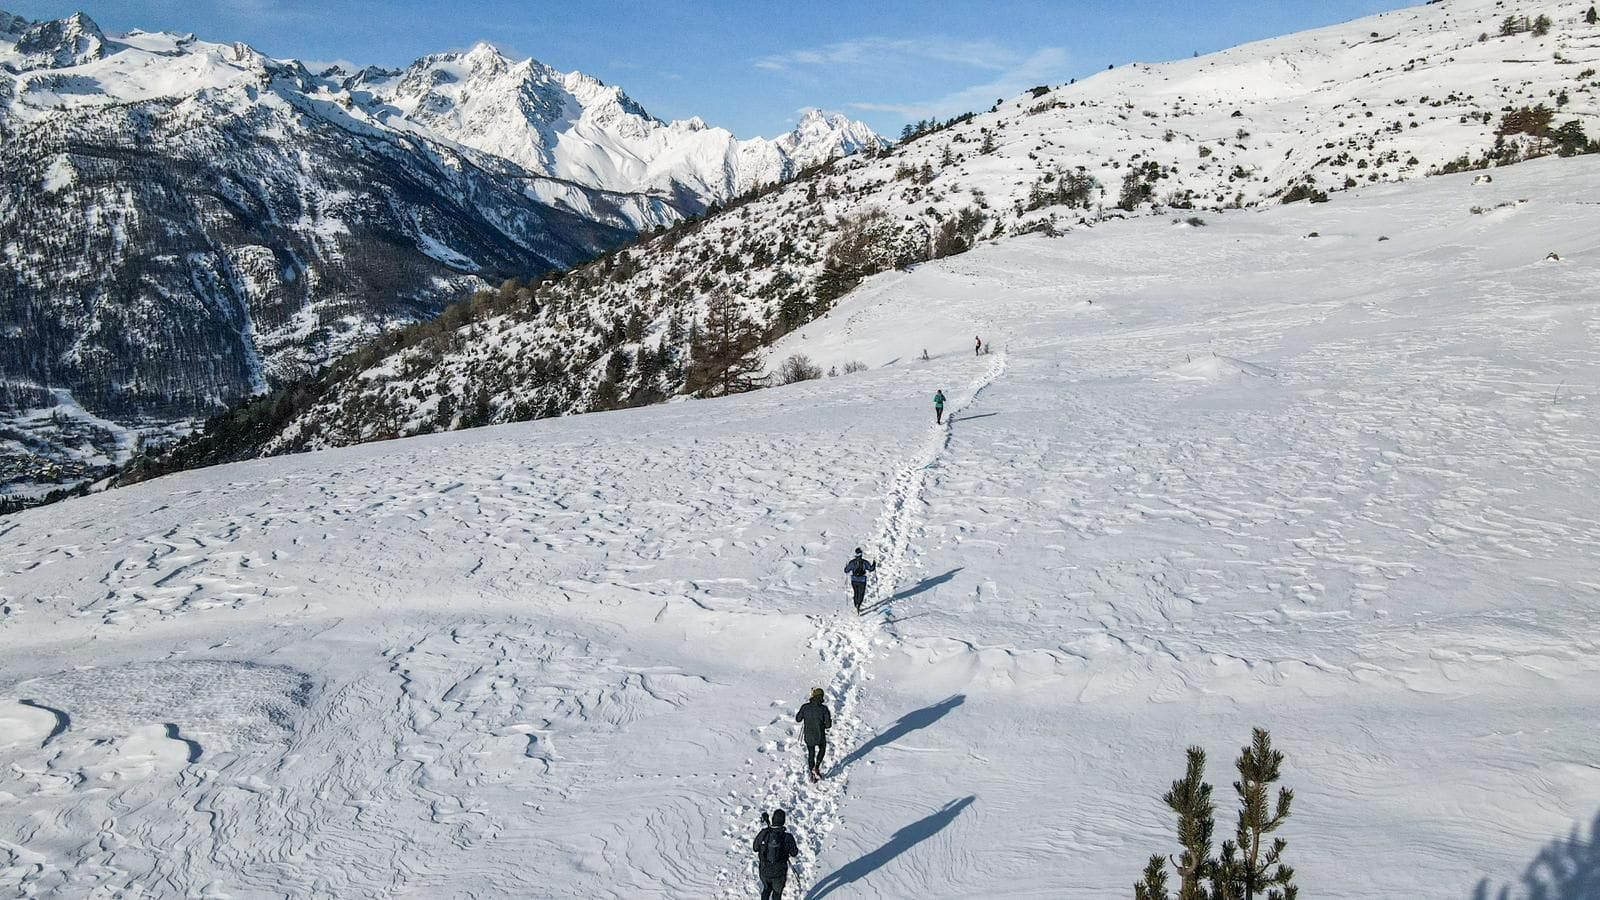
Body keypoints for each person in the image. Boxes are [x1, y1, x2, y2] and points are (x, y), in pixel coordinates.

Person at [753, 809, 800, 899]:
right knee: (777, 894)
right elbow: (794, 853)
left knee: (766, 889)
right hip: (779, 873)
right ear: (783, 821)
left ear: (773, 819)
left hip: (764, 870)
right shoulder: (787, 837)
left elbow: (755, 848)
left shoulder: (764, 833)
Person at [796, 687, 833, 781]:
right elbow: (828, 725)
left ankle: (812, 773)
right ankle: (817, 766)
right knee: (822, 748)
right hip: (820, 735)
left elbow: (798, 719)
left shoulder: (805, 707)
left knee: (811, 753)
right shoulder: (824, 709)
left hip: (808, 736)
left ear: (813, 696)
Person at [845, 548, 877, 613]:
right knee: (861, 594)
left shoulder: (852, 562)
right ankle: (858, 605)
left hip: (854, 580)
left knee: (856, 592)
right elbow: (871, 569)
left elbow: (846, 570)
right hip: (862, 580)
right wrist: (874, 563)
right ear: (861, 554)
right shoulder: (864, 562)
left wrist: (846, 566)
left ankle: (855, 605)